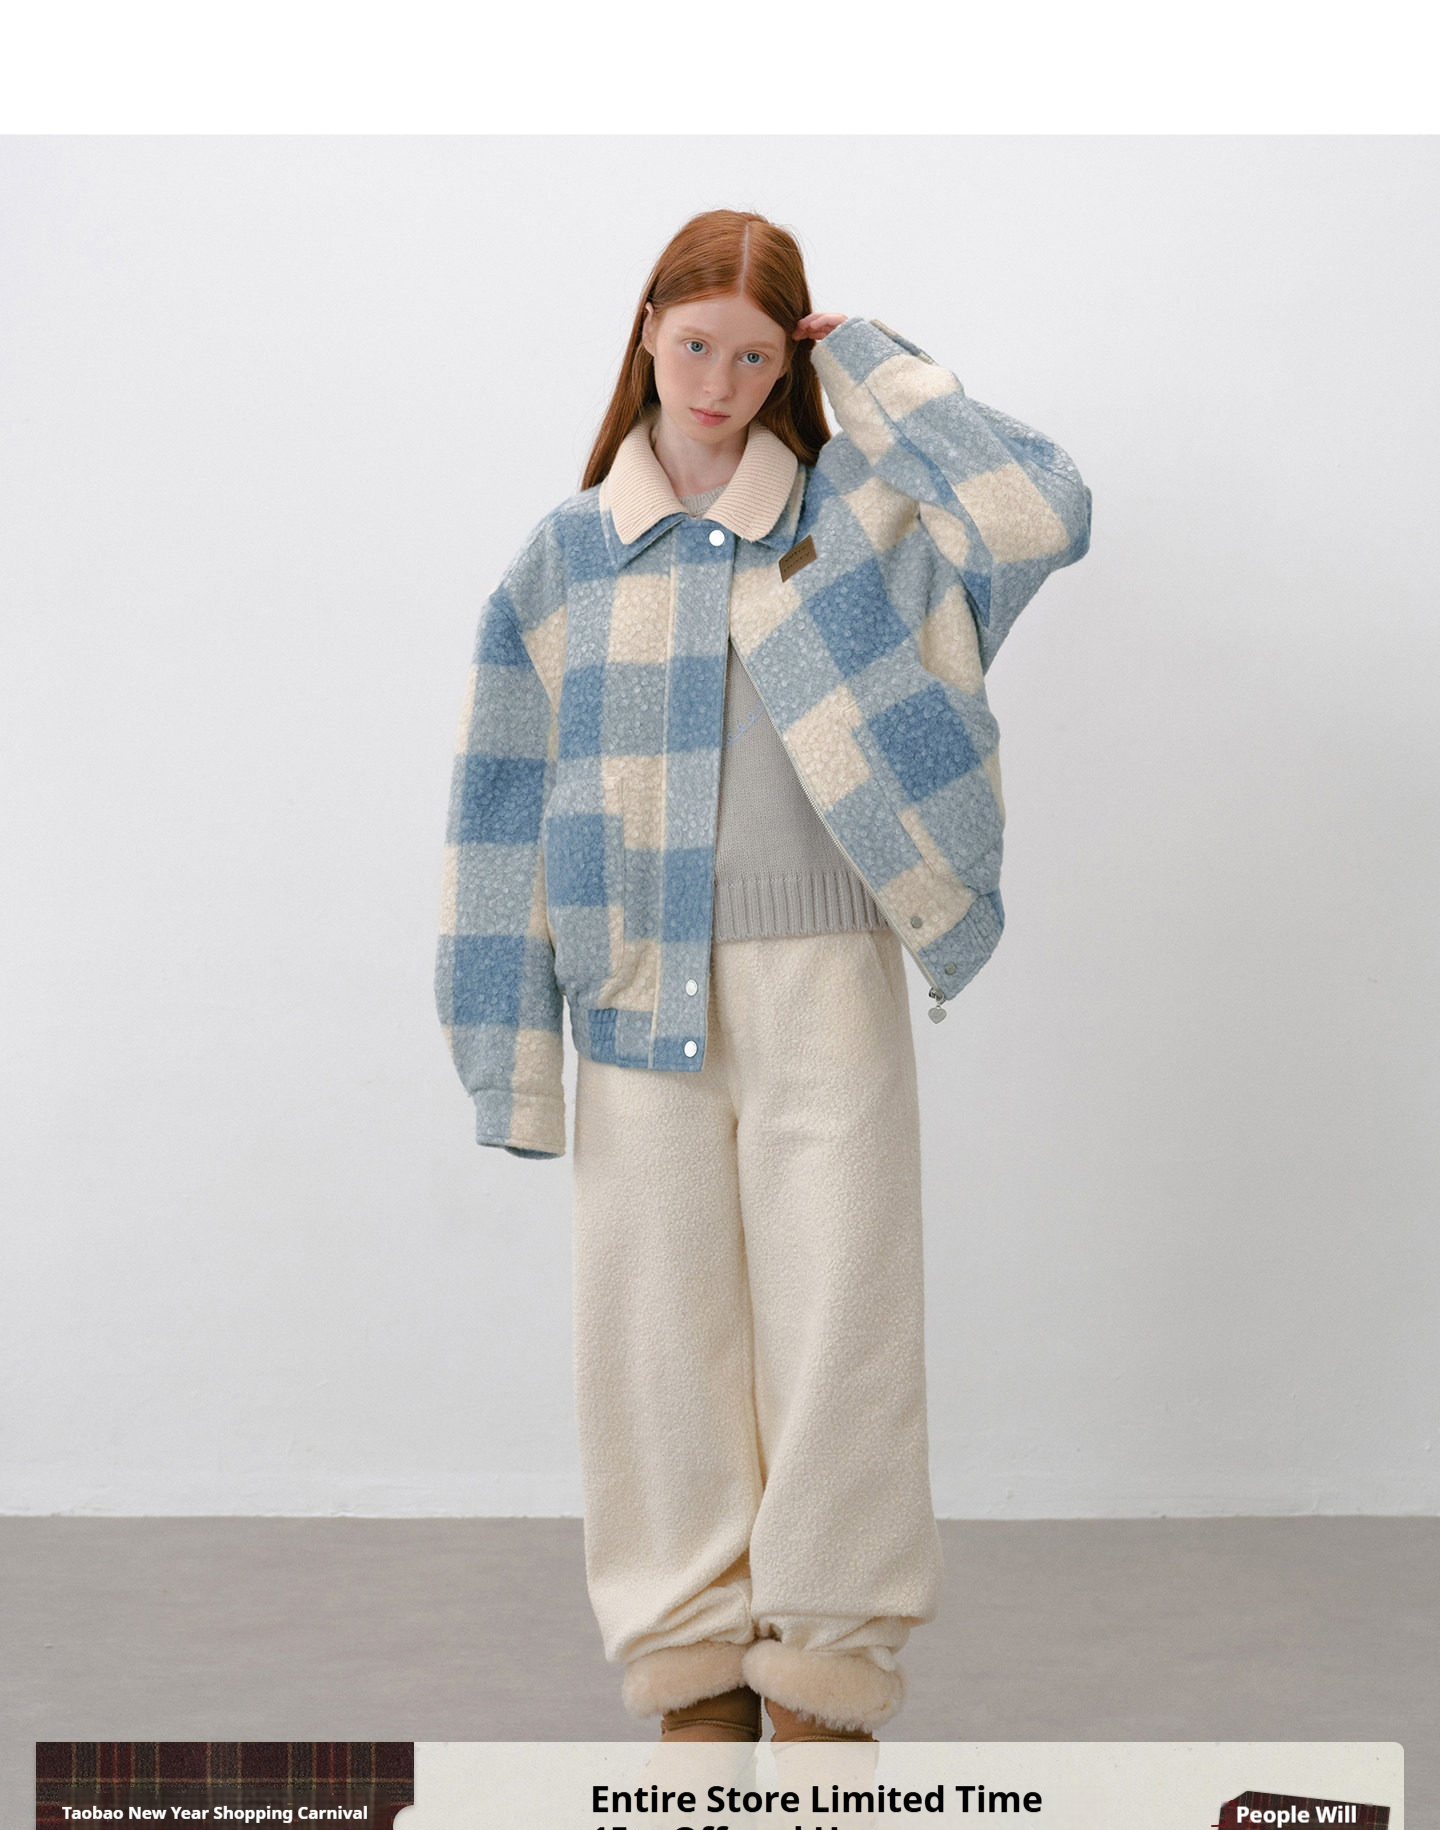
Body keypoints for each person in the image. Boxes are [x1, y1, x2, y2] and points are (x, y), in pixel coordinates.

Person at [435, 208, 1091, 1747]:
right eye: (694, 345)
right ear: (646, 336)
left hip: (828, 975)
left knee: (843, 1327)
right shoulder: (565, 560)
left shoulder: (860, 519)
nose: (718, 382)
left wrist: (873, 365)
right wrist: (507, 1053)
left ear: (784, 361)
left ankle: (827, 1670)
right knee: (657, 1339)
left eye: (751, 354)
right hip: (630, 983)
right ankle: (689, 1665)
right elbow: (498, 812)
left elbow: (1038, 511)